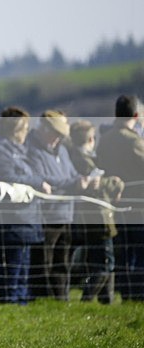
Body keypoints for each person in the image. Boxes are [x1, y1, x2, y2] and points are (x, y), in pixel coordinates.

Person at [0, 107, 50, 304]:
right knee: (12, 264)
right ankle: (11, 301)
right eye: (25, 128)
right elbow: (5, 176)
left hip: (24, 217)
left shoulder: (19, 149)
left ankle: (21, 299)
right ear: (16, 129)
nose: (27, 133)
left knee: (22, 263)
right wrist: (36, 182)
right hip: (10, 219)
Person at [27, 110, 95, 301]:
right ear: (45, 129)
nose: (58, 139)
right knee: (44, 261)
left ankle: (61, 299)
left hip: (66, 214)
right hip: (47, 216)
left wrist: (83, 181)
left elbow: (71, 174)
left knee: (62, 261)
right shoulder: (32, 150)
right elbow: (42, 177)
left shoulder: (63, 151)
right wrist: (73, 184)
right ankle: (43, 299)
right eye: (55, 134)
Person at [67, 119, 124, 303]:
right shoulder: (85, 161)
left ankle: (107, 299)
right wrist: (114, 182)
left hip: (91, 218)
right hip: (98, 217)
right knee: (106, 262)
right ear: (91, 139)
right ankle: (88, 299)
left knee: (100, 260)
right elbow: (97, 185)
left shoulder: (74, 157)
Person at [96, 95, 144, 301]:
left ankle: (126, 292)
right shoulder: (133, 140)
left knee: (123, 251)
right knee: (139, 251)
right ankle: (137, 293)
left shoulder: (105, 138)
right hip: (137, 203)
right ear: (136, 114)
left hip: (113, 203)